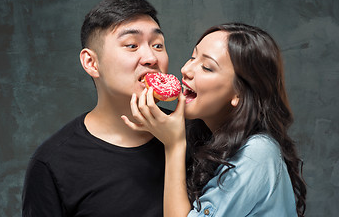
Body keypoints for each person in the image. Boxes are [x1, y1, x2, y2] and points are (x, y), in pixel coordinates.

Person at [122, 23, 307, 216]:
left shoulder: (258, 153)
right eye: (193, 57)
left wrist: (174, 145)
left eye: (207, 67)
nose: (186, 69)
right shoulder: (207, 137)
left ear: (239, 94)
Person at [22, 0, 171, 216]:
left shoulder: (197, 134)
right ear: (91, 63)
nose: (150, 57)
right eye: (132, 45)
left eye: (157, 45)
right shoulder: (52, 163)